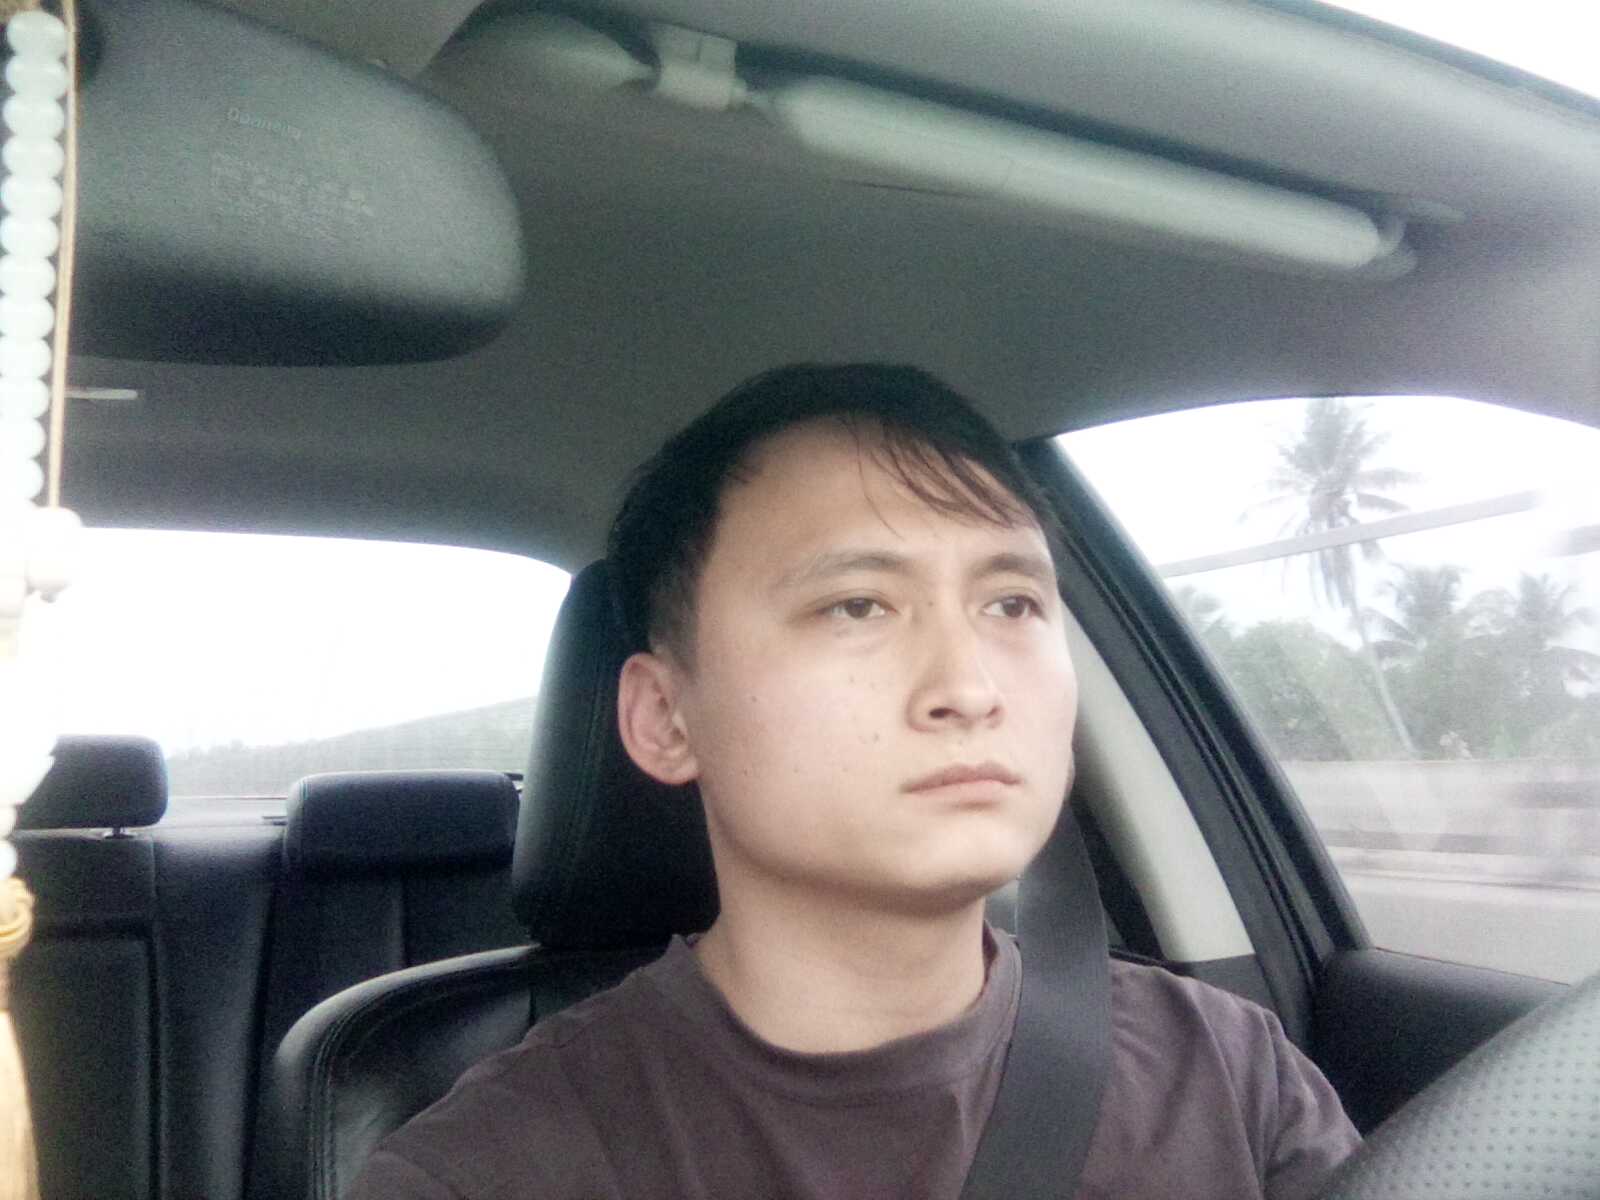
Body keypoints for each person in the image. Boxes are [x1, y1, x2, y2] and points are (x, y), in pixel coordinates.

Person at [350, 364, 1360, 1200]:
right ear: (665, 717)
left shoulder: (1232, 1073)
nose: (968, 687)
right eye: (857, 607)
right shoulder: (494, 1168)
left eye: (1011, 604)